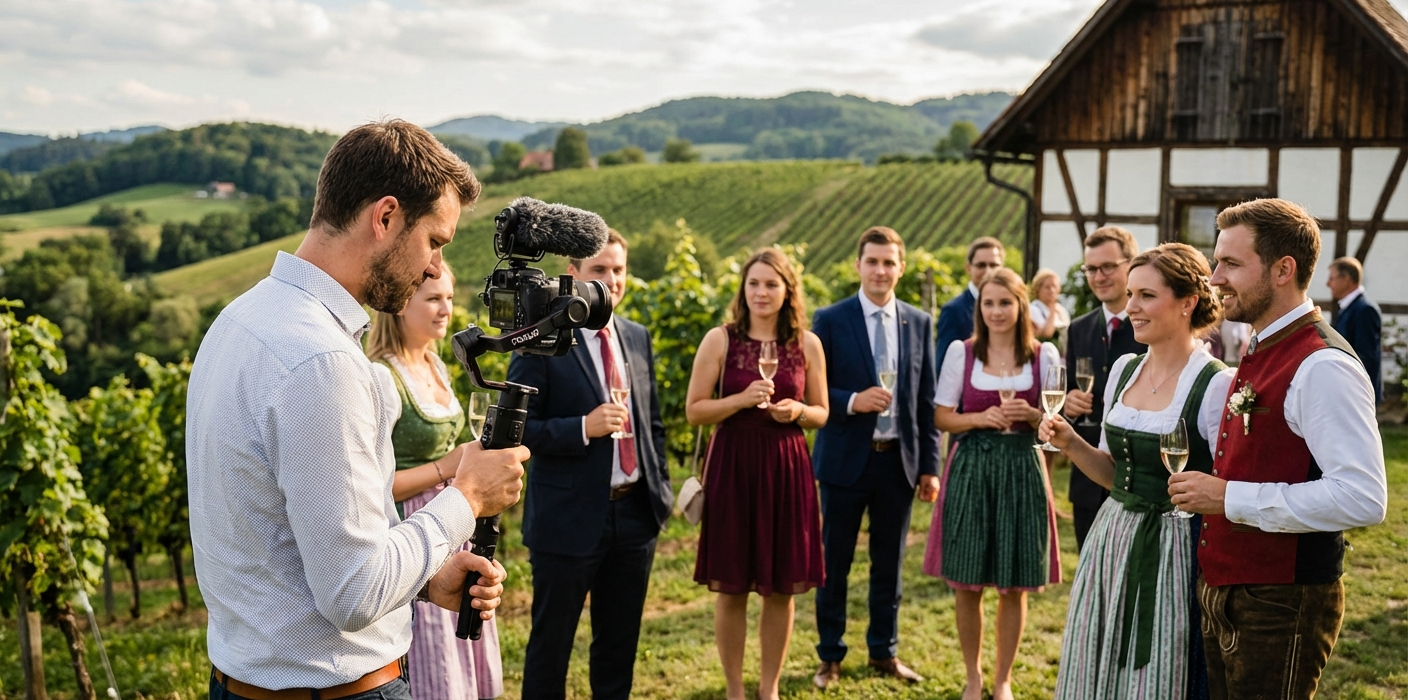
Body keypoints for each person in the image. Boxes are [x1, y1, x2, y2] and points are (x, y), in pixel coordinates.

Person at [189, 120, 527, 700]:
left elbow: (299, 544)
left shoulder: (239, 319)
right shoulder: (322, 361)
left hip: (242, 683)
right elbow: (354, 595)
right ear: (386, 217)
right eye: (435, 242)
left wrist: (423, 577)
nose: (432, 268)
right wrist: (466, 497)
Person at [1169, 198, 1388, 700]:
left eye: (1230, 264)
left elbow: (1362, 498)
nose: (1214, 277)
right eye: (1216, 260)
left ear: (1283, 269)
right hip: (1228, 591)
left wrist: (1229, 498)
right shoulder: (1261, 343)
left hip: (1281, 601)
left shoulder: (1322, 364)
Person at [1038, 243, 1232, 700]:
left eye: (1145, 295)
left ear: (1187, 302)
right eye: (1130, 294)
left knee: (1158, 667)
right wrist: (1070, 442)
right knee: (1097, 657)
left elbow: (1224, 486)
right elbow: (1110, 472)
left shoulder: (1216, 383)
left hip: (1173, 548)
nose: (1130, 308)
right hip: (1112, 535)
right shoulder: (1125, 369)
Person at [507, 230, 672, 700]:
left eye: (618, 269)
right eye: (599, 270)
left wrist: (656, 490)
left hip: (635, 516)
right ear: (572, 276)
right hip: (567, 521)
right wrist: (582, 427)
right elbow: (520, 429)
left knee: (618, 649)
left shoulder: (637, 337)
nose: (611, 280)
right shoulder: (544, 340)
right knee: (550, 650)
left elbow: (652, 422)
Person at [688, 249, 829, 700]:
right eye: (754, 283)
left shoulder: (807, 344)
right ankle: (734, 690)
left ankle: (768, 690)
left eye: (771, 284)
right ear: (743, 289)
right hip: (734, 466)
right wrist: (741, 400)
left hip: (786, 467)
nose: (761, 292)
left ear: (788, 290)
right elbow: (695, 411)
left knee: (780, 588)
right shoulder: (720, 340)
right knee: (731, 587)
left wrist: (799, 411)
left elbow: (822, 412)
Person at [365, 263, 504, 700]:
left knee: (461, 633)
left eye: (448, 297)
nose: (446, 309)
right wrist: (448, 467)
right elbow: (374, 487)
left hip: (454, 518)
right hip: (413, 523)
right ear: (402, 304)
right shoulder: (382, 377)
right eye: (433, 299)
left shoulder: (435, 364)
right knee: (432, 653)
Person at [809, 226, 940, 689]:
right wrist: (850, 401)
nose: (881, 270)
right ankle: (830, 655)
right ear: (858, 266)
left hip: (898, 463)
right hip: (845, 460)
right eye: (873, 261)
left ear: (900, 268)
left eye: (889, 262)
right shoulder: (829, 319)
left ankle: (884, 651)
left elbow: (925, 401)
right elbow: (813, 388)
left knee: (889, 564)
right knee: (835, 563)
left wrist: (930, 466)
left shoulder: (920, 322)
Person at [922, 267, 1060, 700]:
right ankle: (973, 677)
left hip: (1022, 466)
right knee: (968, 580)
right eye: (989, 303)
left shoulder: (1045, 356)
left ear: (1021, 305)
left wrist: (1033, 416)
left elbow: (1054, 422)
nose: (997, 311)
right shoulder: (962, 354)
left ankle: (1002, 680)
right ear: (979, 308)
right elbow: (942, 415)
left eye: (1005, 302)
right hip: (972, 467)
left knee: (1015, 582)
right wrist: (980, 418)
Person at [1063, 226, 1145, 550]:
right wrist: (1068, 403)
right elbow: (1068, 390)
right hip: (1085, 481)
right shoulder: (1077, 329)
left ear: (1131, 264)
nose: (1099, 276)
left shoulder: (1150, 325)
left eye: (1108, 266)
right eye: (1091, 269)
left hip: (1134, 477)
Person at [936, 236, 1005, 377]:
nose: (988, 271)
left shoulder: (1011, 309)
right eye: (981, 265)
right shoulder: (953, 310)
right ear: (968, 267)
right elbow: (943, 367)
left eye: (993, 265)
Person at [1328, 256, 1383, 404]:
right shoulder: (1348, 308)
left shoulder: (1365, 310)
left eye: (1332, 278)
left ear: (1346, 279)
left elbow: (1365, 356)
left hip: (1358, 393)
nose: (1328, 284)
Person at [1029, 267, 1072, 352]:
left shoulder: (1061, 310)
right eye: (1047, 287)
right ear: (1038, 289)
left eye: (1054, 286)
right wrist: (1052, 309)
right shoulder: (1032, 309)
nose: (1052, 290)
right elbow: (1047, 334)